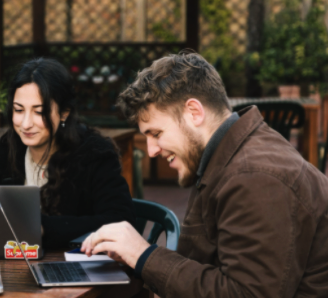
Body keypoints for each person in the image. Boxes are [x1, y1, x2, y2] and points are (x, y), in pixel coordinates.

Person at [82, 52, 328, 297]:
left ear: (194, 112)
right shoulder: (228, 157)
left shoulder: (256, 178)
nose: (151, 150)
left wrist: (143, 255)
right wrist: (136, 259)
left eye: (155, 134)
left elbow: (245, 293)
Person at [0, 57, 135, 248]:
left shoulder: (94, 155)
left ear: (64, 113)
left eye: (39, 112)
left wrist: (43, 228)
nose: (25, 124)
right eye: (18, 110)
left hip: (74, 269)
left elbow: (120, 221)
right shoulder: (8, 150)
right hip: (14, 267)